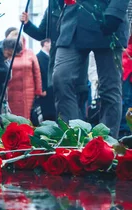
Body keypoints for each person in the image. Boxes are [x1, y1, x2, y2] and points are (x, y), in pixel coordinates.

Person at [52, 0, 130, 137]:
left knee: (109, 89)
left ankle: (106, 142)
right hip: (73, 20)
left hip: (107, 16)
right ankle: (71, 137)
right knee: (61, 77)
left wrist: (116, 12)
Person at [7, 36, 43, 120]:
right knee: (12, 117)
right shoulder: (9, 54)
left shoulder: (30, 53)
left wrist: (38, 90)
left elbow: (37, 72)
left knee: (26, 117)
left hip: (27, 93)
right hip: (11, 93)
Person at [36, 39, 56, 121]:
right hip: (45, 90)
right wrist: (42, 88)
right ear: (45, 43)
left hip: (52, 89)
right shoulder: (38, 57)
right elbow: (38, 74)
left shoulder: (51, 56)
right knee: (47, 114)